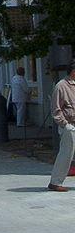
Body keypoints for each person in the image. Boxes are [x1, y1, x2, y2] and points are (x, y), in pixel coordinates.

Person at [48, 60, 75, 191]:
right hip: (69, 126)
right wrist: (65, 125)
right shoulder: (61, 86)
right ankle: (55, 182)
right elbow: (56, 109)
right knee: (66, 154)